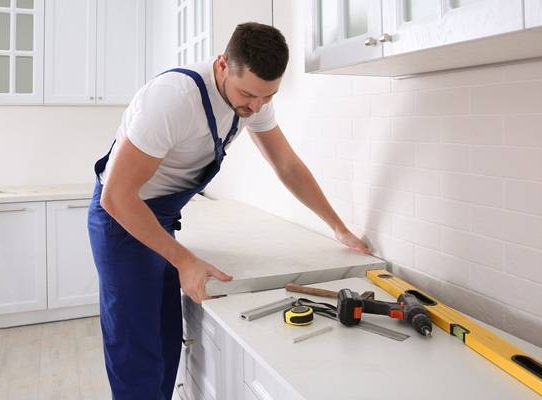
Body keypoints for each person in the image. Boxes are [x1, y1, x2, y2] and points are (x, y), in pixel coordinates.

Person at [87, 22, 370, 400]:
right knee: (136, 351)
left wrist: (338, 228)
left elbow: (287, 165)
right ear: (223, 65)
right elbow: (117, 197)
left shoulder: (252, 101)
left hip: (161, 220)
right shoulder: (173, 99)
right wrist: (184, 261)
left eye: (268, 97)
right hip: (122, 222)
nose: (256, 107)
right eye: (249, 95)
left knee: (166, 338)